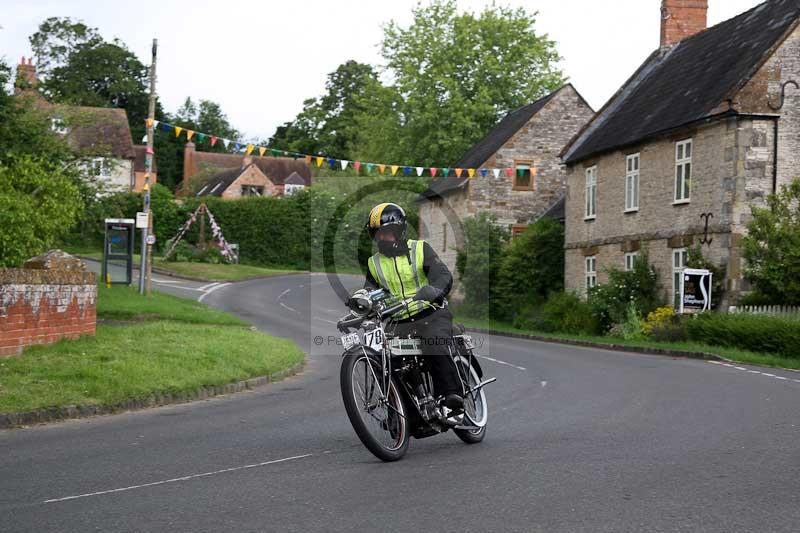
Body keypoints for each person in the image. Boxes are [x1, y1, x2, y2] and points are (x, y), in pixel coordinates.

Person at [362, 202, 463, 411]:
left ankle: (452, 397)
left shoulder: (420, 249)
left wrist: (434, 290)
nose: (382, 238)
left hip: (431, 313)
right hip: (398, 321)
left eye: (386, 233)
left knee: (433, 343)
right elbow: (369, 290)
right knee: (385, 357)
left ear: (399, 231)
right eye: (377, 234)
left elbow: (443, 275)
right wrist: (359, 301)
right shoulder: (374, 262)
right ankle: (398, 414)